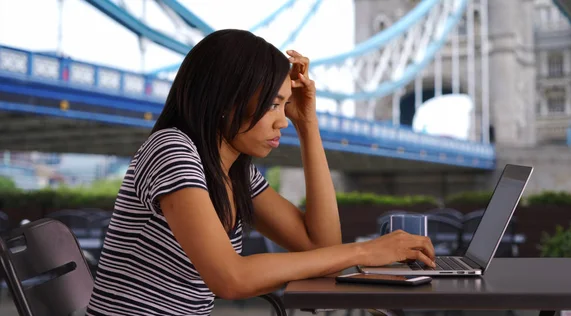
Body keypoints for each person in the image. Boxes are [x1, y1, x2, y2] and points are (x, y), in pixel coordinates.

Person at [85, 29, 435, 316]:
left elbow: (321, 246)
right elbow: (231, 279)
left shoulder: (236, 170)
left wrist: (307, 124)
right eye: (272, 104)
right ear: (224, 98)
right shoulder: (172, 150)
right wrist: (364, 253)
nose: (282, 119)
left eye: (284, 104)